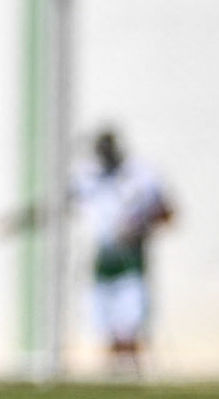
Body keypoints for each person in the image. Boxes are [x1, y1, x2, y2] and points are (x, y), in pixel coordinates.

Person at [72, 128, 175, 371]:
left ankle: (131, 370)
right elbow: (59, 203)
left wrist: (140, 228)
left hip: (130, 261)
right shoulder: (88, 177)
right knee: (105, 327)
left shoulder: (141, 176)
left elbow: (167, 212)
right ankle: (114, 374)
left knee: (129, 327)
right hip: (102, 262)